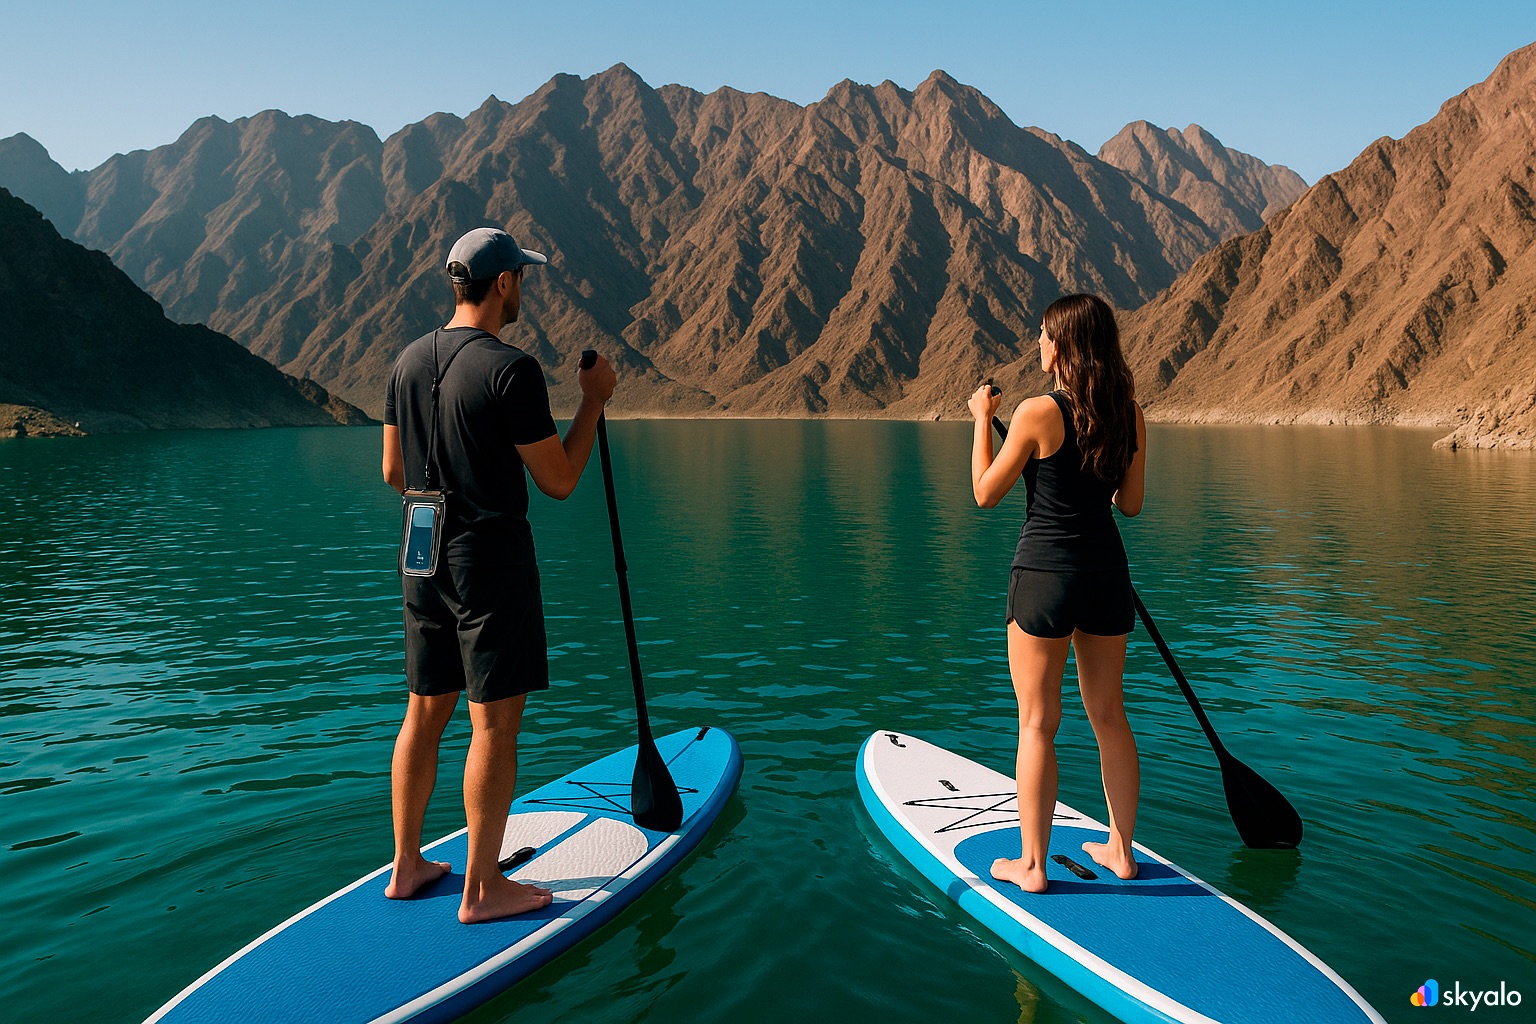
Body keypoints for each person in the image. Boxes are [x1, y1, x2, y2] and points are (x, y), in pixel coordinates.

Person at [381, 226, 617, 923]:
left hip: (420, 552)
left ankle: (407, 864)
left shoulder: (404, 360)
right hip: (488, 561)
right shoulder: (510, 370)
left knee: (425, 709)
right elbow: (560, 480)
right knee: (494, 727)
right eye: (524, 278)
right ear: (506, 282)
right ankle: (483, 890)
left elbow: (395, 473)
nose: (525, 290)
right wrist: (595, 399)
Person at [967, 293, 1147, 895]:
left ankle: (1034, 867)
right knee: (1109, 716)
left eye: (1044, 334)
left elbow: (985, 494)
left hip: (1044, 577)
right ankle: (1121, 853)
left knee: (1038, 722)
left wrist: (977, 422)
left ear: (1064, 344)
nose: (1037, 344)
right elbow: (1131, 504)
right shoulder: (1130, 413)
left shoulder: (1035, 413)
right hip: (1106, 576)